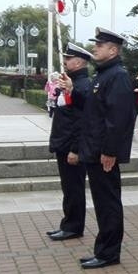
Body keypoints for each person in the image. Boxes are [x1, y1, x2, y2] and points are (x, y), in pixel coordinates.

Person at [64, 27, 135, 269]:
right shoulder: (104, 74)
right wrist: (74, 93)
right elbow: (95, 111)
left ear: (113, 50)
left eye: (100, 45)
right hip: (93, 149)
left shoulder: (118, 76)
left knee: (108, 203)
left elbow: (118, 119)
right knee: (102, 203)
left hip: (103, 152)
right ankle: (103, 249)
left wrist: (110, 151)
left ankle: (108, 253)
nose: (95, 47)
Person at [44, 43, 92, 241]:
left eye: (69, 58)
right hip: (63, 142)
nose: (64, 61)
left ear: (79, 62)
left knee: (74, 188)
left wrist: (75, 149)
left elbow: (81, 121)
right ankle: (68, 223)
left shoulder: (82, 85)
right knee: (68, 187)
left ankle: (74, 226)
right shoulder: (69, 82)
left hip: (71, 146)